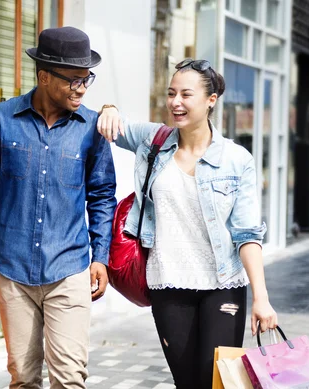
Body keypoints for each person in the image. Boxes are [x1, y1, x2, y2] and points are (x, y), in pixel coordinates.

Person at [0, 26, 117, 389]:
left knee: (70, 380)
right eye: (73, 80)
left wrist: (100, 257)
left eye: (87, 78)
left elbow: (102, 196)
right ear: (43, 76)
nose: (83, 88)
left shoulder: (92, 129)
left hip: (69, 269)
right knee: (23, 379)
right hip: (13, 271)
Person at [97, 58, 278, 389]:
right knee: (188, 383)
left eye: (186, 94)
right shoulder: (154, 140)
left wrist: (261, 298)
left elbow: (248, 235)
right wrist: (108, 107)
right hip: (168, 284)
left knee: (218, 383)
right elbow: (112, 124)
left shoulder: (236, 160)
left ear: (211, 100)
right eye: (171, 94)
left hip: (222, 286)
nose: (175, 103)